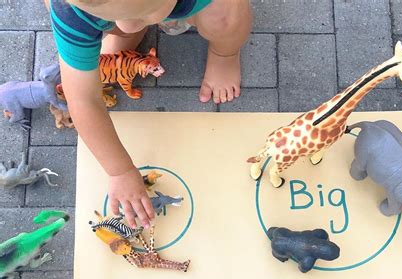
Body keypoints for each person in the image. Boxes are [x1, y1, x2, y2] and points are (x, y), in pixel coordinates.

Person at [44, 0, 252, 228]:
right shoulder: (71, 11)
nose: (130, 26)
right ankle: (122, 23)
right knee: (120, 26)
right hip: (117, 9)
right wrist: (119, 171)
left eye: (139, 17)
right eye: (119, 18)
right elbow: (82, 99)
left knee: (225, 19)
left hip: (199, 5)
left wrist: (224, 55)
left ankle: (224, 54)